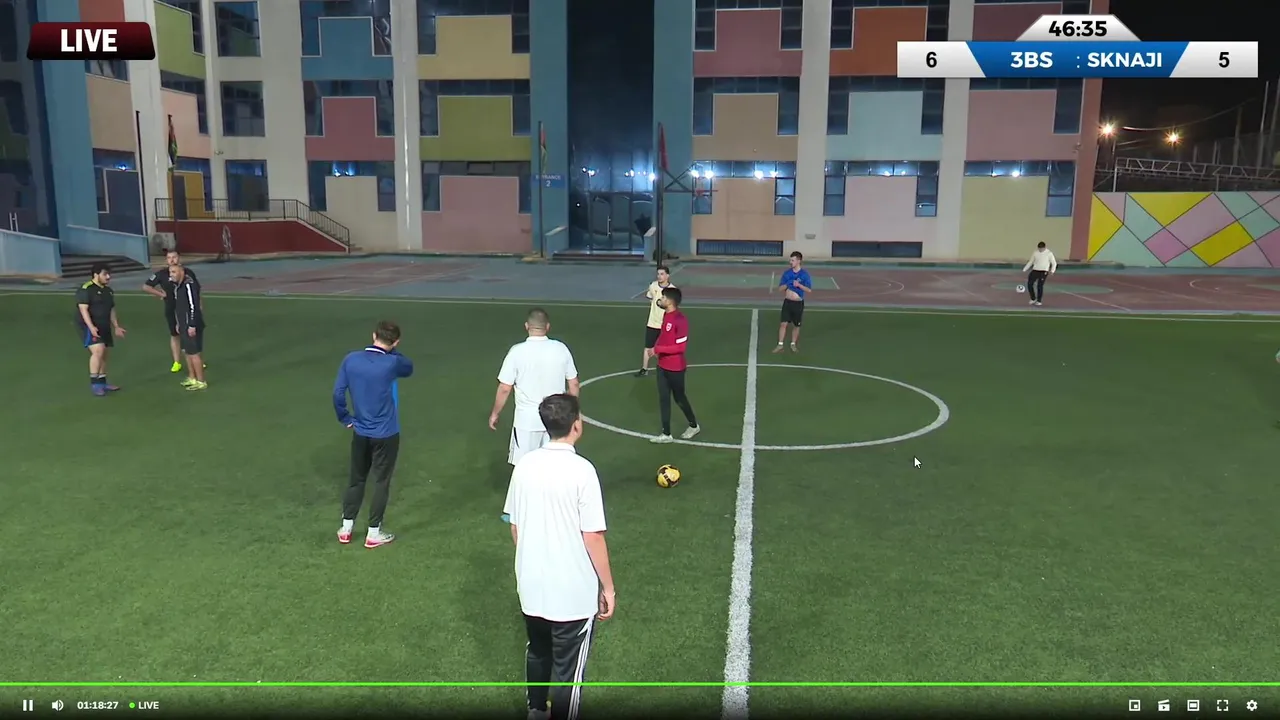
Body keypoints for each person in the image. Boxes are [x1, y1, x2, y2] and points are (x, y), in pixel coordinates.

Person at [503, 393, 615, 720]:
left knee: (538, 651)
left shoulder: (525, 466)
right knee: (569, 671)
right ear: (576, 425)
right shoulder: (582, 471)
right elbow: (593, 535)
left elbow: (515, 525)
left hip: (532, 585)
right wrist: (608, 588)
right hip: (572, 593)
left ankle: (537, 711)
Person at [332, 321, 415, 549]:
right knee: (381, 482)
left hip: (360, 431)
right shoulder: (392, 363)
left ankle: (346, 529)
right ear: (396, 342)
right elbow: (409, 368)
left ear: (373, 335)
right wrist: (393, 350)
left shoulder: (351, 359)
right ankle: (373, 533)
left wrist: (345, 418)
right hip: (387, 433)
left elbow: (338, 393)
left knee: (356, 479)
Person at [490, 308, 580, 466]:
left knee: (524, 466)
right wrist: (573, 413)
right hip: (555, 420)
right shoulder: (561, 349)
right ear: (547, 326)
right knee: (554, 465)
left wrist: (495, 414)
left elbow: (505, 388)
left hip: (527, 421)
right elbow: (574, 383)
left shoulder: (517, 352)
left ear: (527, 326)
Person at [650, 286, 699, 444]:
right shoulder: (666, 315)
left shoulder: (680, 320)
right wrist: (656, 347)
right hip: (662, 366)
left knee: (679, 398)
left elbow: (680, 348)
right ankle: (666, 433)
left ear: (670, 301)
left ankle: (693, 425)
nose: (661, 300)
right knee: (664, 398)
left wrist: (658, 349)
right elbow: (664, 335)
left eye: (664, 298)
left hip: (676, 368)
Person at [142, 249, 204, 373]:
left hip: (187, 309)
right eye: (169, 257)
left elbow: (196, 291)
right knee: (175, 334)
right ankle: (177, 362)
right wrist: (160, 294)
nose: (172, 260)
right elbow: (146, 286)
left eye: (174, 257)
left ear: (179, 258)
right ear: (166, 260)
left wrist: (199, 306)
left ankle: (197, 360)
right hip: (171, 308)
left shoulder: (188, 273)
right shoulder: (162, 274)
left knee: (192, 334)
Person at [75, 263, 126, 396]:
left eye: (109, 274)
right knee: (98, 350)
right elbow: (83, 310)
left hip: (104, 324)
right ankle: (95, 384)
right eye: (105, 274)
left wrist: (116, 326)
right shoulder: (86, 289)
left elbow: (111, 309)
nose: (108, 277)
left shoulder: (108, 291)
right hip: (89, 325)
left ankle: (103, 382)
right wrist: (91, 327)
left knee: (104, 353)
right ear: (96, 275)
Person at [171, 264, 207, 391]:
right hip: (183, 324)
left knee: (194, 353)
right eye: (170, 272)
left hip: (191, 325)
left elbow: (193, 306)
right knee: (186, 351)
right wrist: (178, 323)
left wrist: (192, 324)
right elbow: (179, 307)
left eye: (174, 272)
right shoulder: (177, 286)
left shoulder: (188, 285)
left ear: (181, 272)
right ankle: (192, 377)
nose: (171, 275)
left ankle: (201, 381)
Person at [636, 265, 675, 377]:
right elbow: (650, 298)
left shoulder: (672, 290)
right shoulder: (653, 286)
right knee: (648, 347)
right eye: (658, 274)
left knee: (666, 348)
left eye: (662, 274)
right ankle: (644, 369)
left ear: (667, 276)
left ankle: (667, 368)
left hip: (665, 324)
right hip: (652, 323)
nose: (659, 276)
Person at [772, 250, 812, 353]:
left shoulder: (804, 275)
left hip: (798, 303)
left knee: (796, 325)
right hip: (787, 302)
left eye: (793, 260)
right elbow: (780, 289)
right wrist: (787, 284)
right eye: (790, 260)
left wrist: (799, 285)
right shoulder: (787, 274)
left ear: (799, 261)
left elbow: (809, 290)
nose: (791, 262)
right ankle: (780, 345)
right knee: (783, 324)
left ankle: (793, 344)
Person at [1022, 241, 1057, 306]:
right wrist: (1024, 269)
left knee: (1039, 286)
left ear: (1045, 247)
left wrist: (1052, 271)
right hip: (1035, 270)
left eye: (1041, 249)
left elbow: (1054, 263)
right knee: (1030, 284)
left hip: (1043, 271)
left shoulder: (1049, 253)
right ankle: (1033, 298)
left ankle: (1039, 301)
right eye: (1039, 248)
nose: (1040, 250)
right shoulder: (1035, 253)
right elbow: (1031, 262)